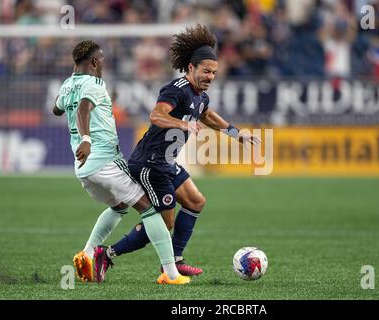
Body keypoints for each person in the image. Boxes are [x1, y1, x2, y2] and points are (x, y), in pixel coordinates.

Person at [93, 24, 260, 281]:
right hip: (149, 164)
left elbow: (207, 115)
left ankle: (176, 260)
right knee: (164, 223)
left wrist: (237, 134)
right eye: (206, 71)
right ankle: (107, 254)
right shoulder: (177, 88)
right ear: (191, 68)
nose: (210, 77)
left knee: (196, 201)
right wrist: (183, 123)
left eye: (214, 73)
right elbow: (157, 115)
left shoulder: (200, 95)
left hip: (167, 163)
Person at [52, 40, 190, 285]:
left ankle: (86, 254)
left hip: (83, 168)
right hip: (103, 160)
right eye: (101, 58)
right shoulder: (94, 83)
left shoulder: (67, 85)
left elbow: (57, 110)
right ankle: (171, 274)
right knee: (148, 208)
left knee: (119, 207)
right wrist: (86, 138)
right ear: (94, 61)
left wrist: (69, 100)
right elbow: (84, 108)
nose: (103, 62)